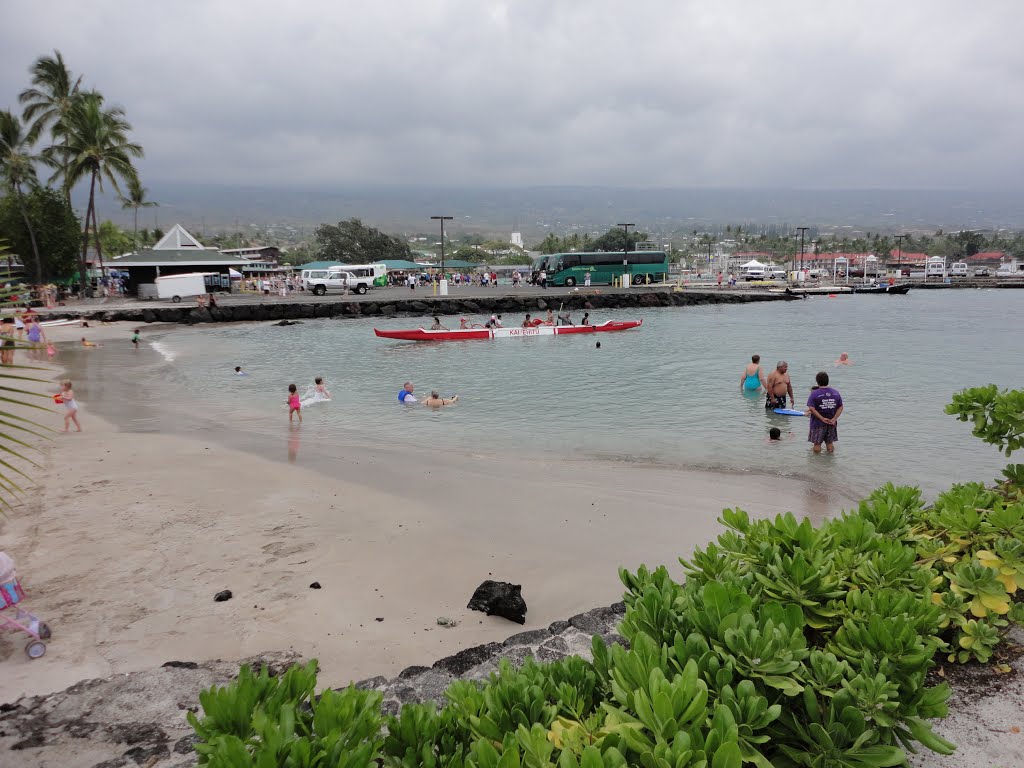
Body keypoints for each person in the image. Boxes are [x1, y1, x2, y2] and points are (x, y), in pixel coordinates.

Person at [806, 371, 843, 454]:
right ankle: (830, 461)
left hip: (818, 423)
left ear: (817, 381)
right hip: (831, 422)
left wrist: (822, 418)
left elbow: (811, 408)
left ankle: (816, 463)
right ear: (828, 380)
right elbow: (840, 407)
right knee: (829, 443)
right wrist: (834, 418)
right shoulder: (835, 393)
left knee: (817, 443)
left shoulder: (814, 394)